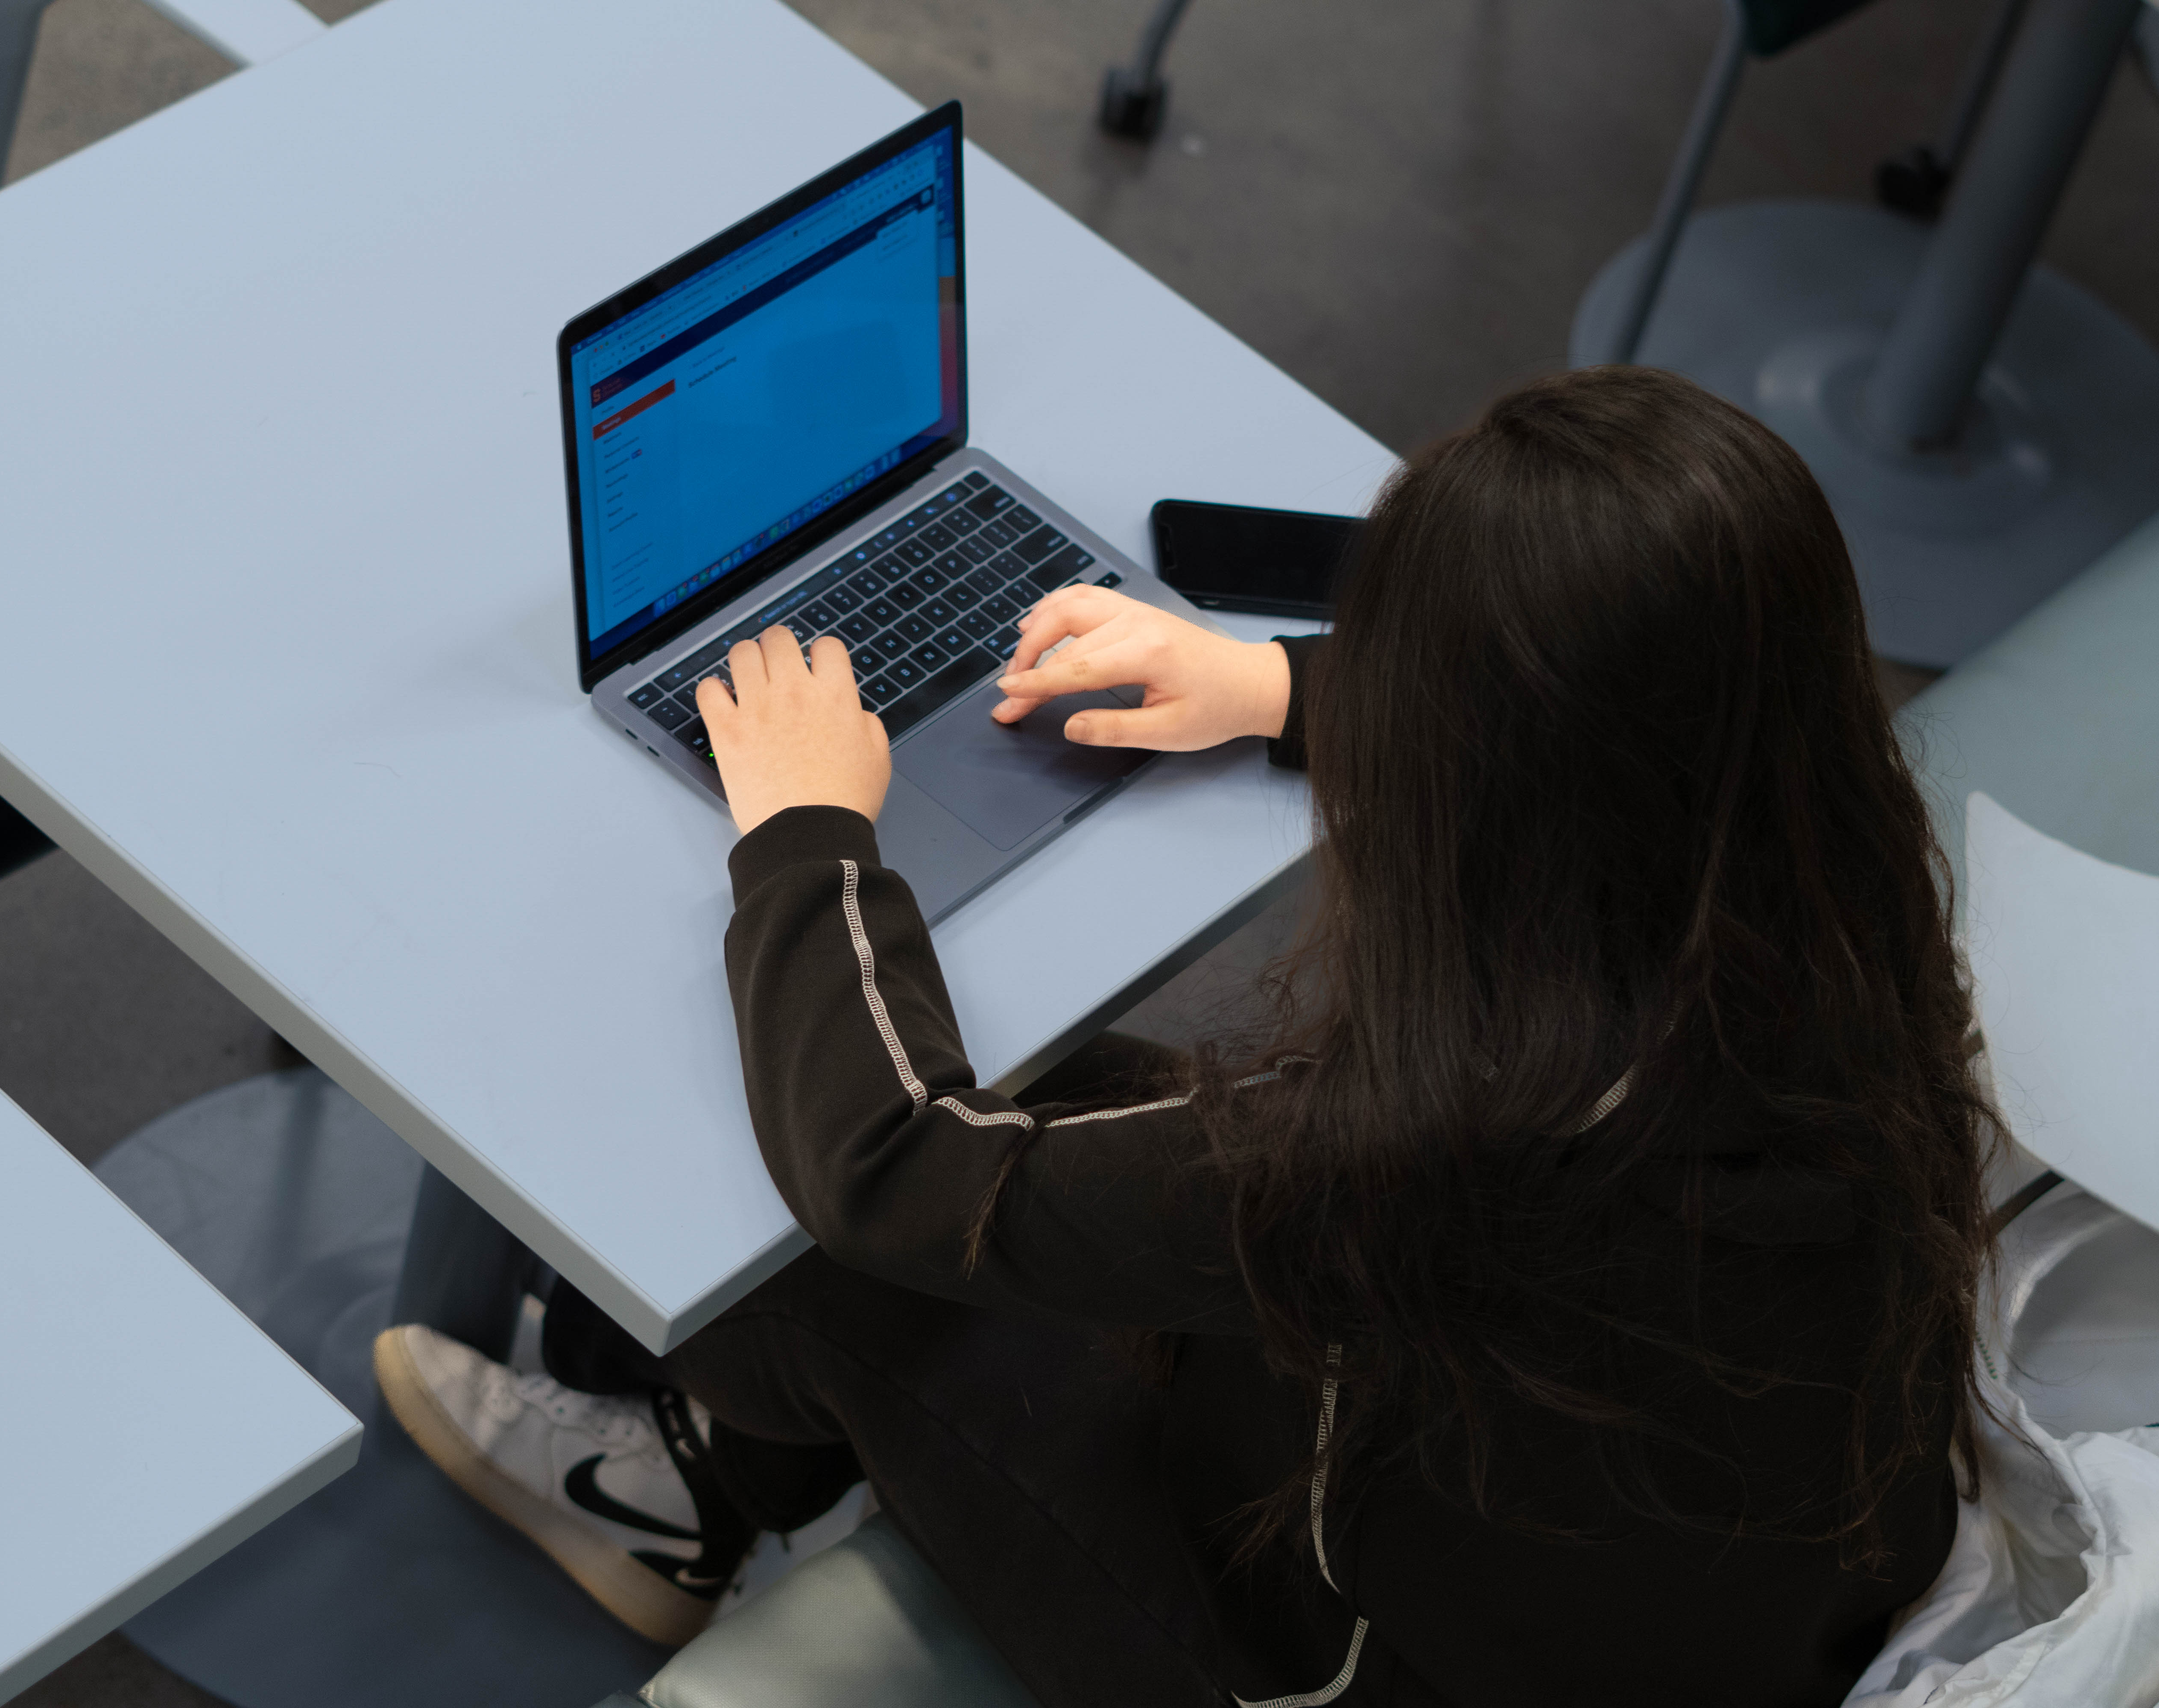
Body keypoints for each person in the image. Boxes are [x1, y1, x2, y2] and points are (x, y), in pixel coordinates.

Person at [372, 366, 1995, 1705]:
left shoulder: (1428, 1155)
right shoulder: (1845, 932)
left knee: (818, 1250)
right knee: (1068, 1107)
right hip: (1638, 1572)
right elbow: (1646, 718)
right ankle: (718, 1472)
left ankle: (679, 1484)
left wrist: (806, 835)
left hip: (1317, 1662)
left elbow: (888, 1166)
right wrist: (1276, 687)